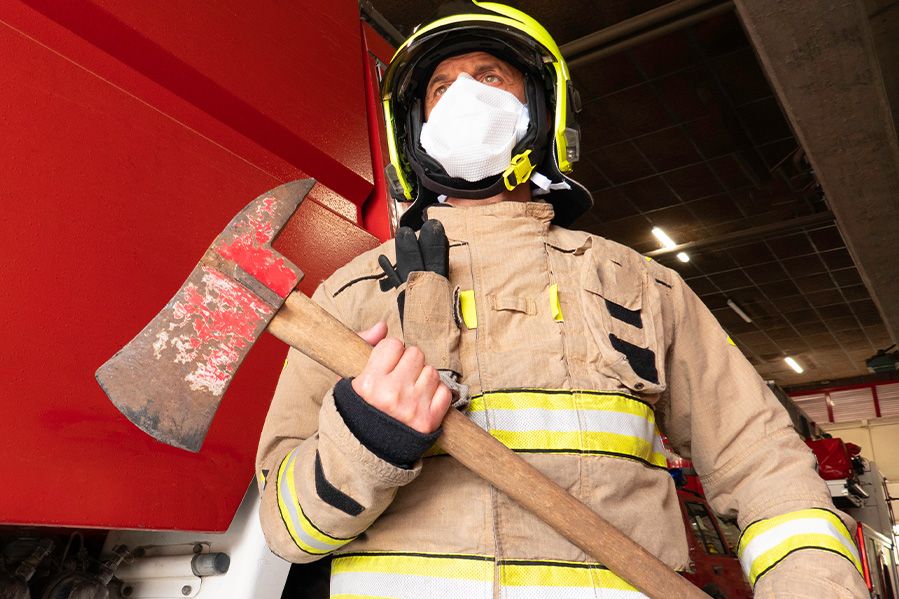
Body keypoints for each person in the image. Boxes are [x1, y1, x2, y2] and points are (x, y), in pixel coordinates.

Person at [256, 2, 868, 596]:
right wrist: (365, 443)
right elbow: (288, 533)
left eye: (490, 77)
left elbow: (763, 463)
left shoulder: (642, 288)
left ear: (542, 110)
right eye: (440, 87)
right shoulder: (349, 297)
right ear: (413, 127)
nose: (465, 96)